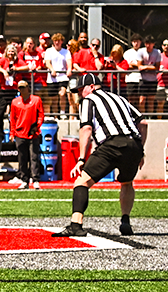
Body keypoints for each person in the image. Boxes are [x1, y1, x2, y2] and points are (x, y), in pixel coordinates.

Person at [54, 73, 144, 238]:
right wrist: (141, 150)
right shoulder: (120, 98)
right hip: (134, 145)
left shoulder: (89, 100)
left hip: (112, 144)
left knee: (82, 181)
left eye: (82, 90)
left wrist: (81, 158)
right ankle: (125, 221)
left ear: (92, 87)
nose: (80, 94)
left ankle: (76, 224)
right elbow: (142, 122)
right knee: (126, 182)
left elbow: (86, 128)